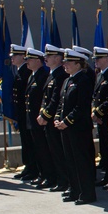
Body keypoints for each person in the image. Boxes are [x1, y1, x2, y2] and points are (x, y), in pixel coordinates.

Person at [55, 49, 97, 204]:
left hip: (78, 128)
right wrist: (58, 119)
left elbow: (81, 106)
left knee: (81, 161)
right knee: (70, 160)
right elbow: (62, 103)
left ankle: (86, 193)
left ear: (78, 64)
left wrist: (67, 121)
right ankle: (74, 190)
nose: (64, 64)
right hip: (65, 128)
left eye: (68, 62)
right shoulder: (67, 80)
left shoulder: (83, 80)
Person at [38, 45, 70, 191]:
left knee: (59, 153)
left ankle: (64, 180)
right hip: (49, 120)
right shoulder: (52, 74)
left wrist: (46, 115)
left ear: (57, 58)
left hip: (54, 121)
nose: (46, 59)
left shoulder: (60, 75)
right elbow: (45, 99)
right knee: (52, 152)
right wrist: (42, 114)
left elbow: (56, 100)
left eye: (49, 56)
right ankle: (59, 178)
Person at [91, 47, 108, 188]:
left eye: (98, 58)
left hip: (107, 119)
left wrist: (99, 113)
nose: (96, 61)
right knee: (105, 149)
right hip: (100, 119)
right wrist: (94, 112)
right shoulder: (100, 75)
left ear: (107, 59)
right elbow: (95, 97)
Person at [24, 48, 52, 186]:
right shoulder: (32, 75)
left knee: (44, 150)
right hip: (32, 120)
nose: (27, 62)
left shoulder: (43, 76)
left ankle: (48, 175)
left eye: (29, 59)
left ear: (37, 61)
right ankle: (41, 174)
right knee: (37, 150)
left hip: (40, 120)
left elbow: (43, 99)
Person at [8, 45, 36, 181]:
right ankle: (28, 166)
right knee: (25, 141)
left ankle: (32, 167)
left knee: (29, 142)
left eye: (14, 56)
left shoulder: (26, 72)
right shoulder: (20, 71)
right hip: (22, 113)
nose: (12, 58)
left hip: (26, 113)